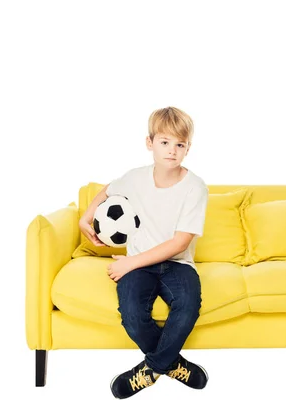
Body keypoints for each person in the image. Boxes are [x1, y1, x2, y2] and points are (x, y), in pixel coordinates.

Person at [79, 106, 210, 399]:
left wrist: (130, 263)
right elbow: (108, 190)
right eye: (164, 142)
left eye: (180, 145)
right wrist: (85, 216)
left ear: (188, 148)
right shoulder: (135, 178)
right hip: (139, 267)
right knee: (133, 315)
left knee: (188, 307)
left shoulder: (195, 187)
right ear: (150, 143)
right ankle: (172, 364)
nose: (172, 151)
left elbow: (179, 243)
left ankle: (149, 370)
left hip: (177, 264)